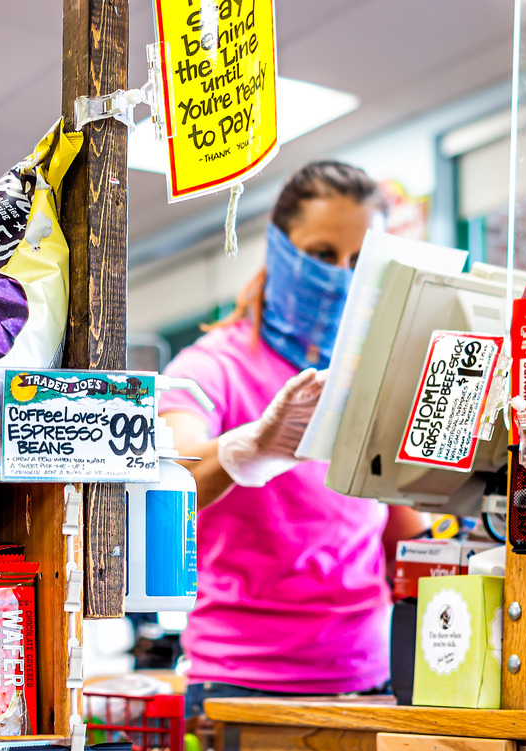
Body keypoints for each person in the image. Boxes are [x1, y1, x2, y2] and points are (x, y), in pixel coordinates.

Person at [159, 160, 431, 720]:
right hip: (240, 685)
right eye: (322, 255)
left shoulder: (369, 376)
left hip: (367, 677)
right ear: (280, 250)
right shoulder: (213, 368)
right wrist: (246, 450)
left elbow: (402, 533)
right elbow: (167, 480)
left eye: (359, 262)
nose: (340, 274)